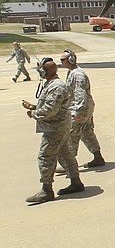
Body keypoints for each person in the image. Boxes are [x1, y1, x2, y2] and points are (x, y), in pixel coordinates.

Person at [21, 58, 84, 204]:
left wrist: (34, 114)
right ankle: (76, 182)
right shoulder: (51, 84)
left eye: (41, 69)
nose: (39, 71)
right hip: (58, 126)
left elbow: (50, 110)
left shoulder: (56, 86)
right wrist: (34, 106)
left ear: (46, 70)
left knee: (45, 156)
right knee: (65, 154)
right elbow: (50, 104)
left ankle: (46, 189)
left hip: (55, 128)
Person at [58, 49, 105, 169]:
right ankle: (98, 157)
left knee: (71, 135)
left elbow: (80, 94)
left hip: (81, 109)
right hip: (82, 108)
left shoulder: (78, 75)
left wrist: (77, 112)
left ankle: (69, 165)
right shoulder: (71, 72)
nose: (61, 62)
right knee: (86, 132)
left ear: (70, 60)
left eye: (63, 60)